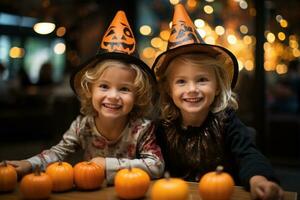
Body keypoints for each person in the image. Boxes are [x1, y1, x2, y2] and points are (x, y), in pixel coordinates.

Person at [5, 10, 164, 185]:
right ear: (90, 90)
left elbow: (156, 165)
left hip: (130, 192)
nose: (113, 96)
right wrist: (29, 164)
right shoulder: (82, 126)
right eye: (104, 86)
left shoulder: (142, 129)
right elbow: (57, 153)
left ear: (137, 95)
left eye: (124, 89)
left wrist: (106, 164)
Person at [152, 4, 283, 200]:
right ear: (170, 90)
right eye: (181, 81)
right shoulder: (162, 127)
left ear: (218, 86)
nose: (192, 89)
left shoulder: (227, 122)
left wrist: (259, 179)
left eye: (202, 80)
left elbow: (248, 155)